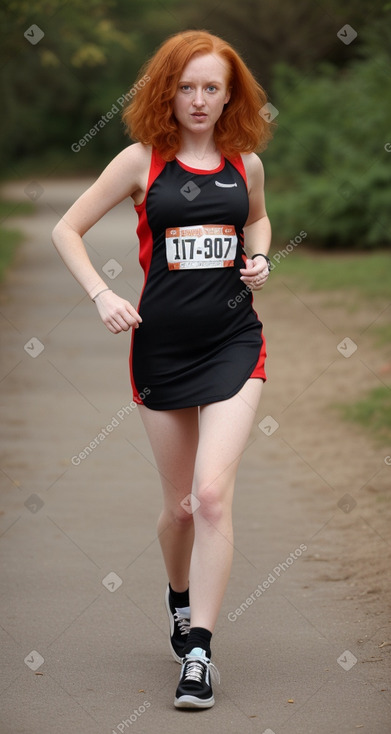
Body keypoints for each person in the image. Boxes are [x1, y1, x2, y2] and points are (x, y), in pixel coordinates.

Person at [52, 29, 273, 710]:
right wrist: (103, 294)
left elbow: (259, 222)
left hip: (236, 344)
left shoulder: (245, 164)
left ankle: (199, 652)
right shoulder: (141, 162)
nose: (199, 100)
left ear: (230, 93)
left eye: (212, 87)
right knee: (179, 508)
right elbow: (67, 229)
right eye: (186, 86)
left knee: (210, 496)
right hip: (161, 353)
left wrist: (261, 258)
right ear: (165, 91)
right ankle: (178, 598)